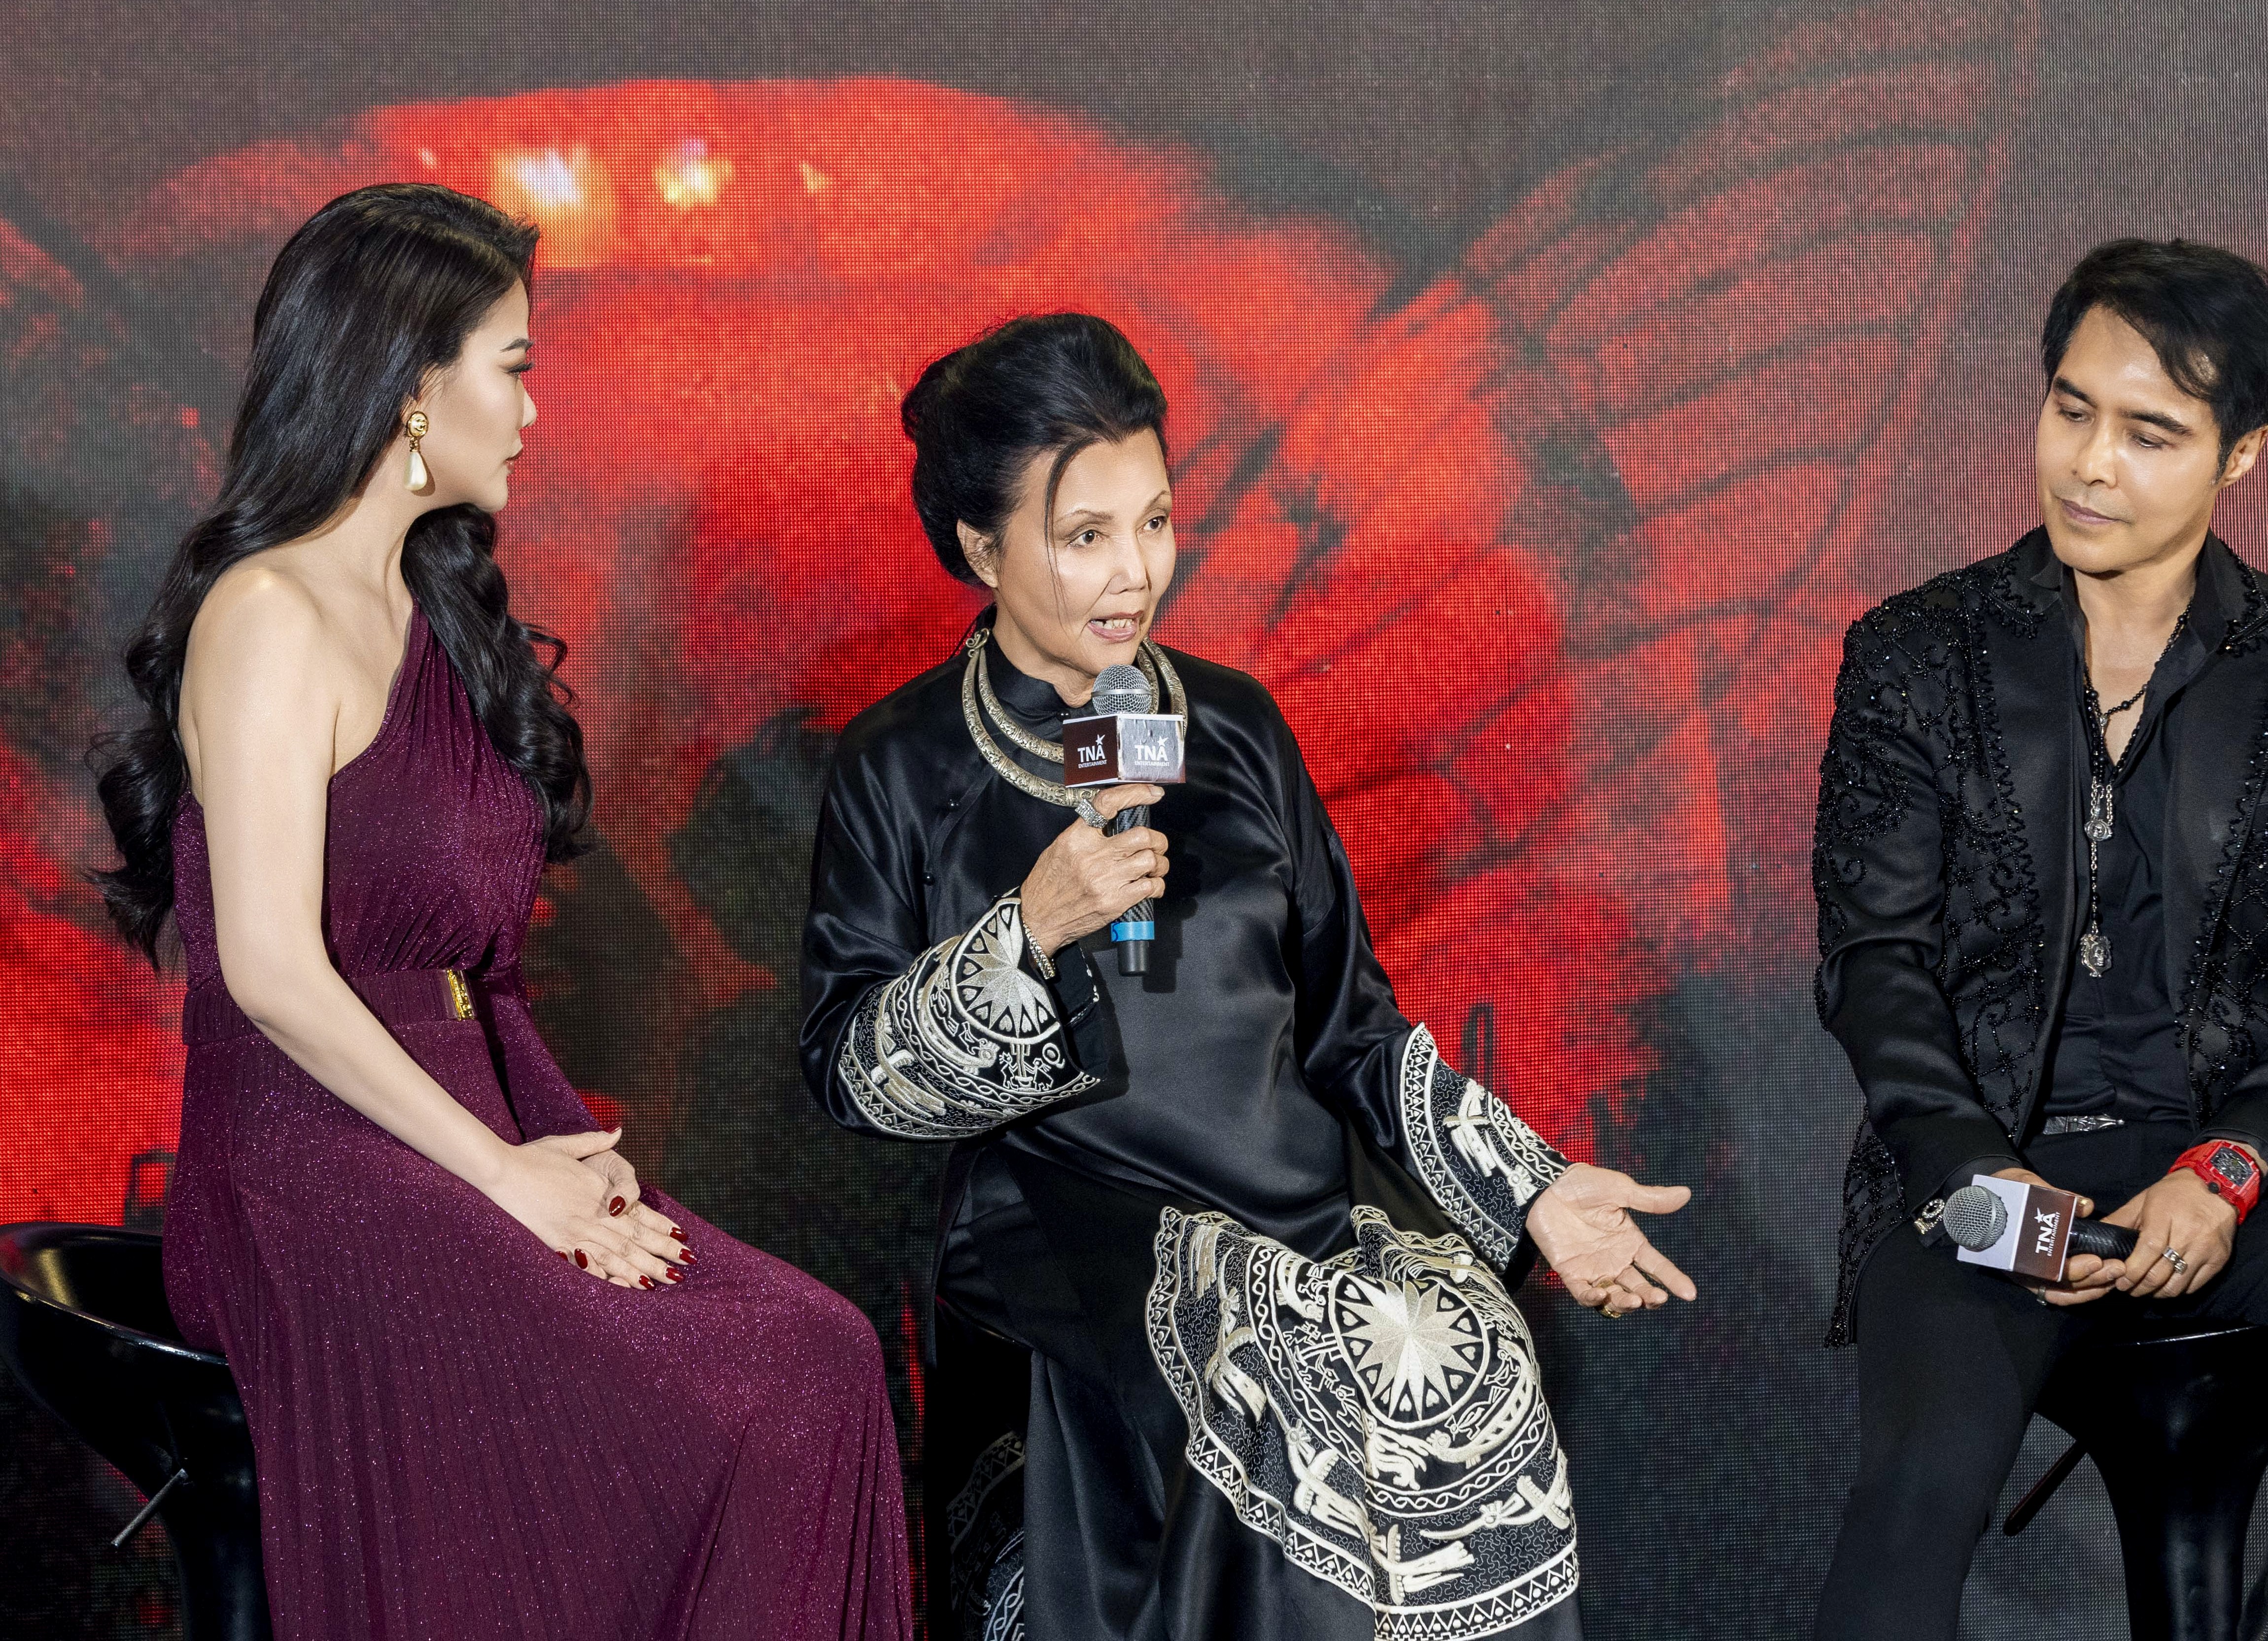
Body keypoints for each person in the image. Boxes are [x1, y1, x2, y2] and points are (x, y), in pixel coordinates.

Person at [91, 183, 911, 1639]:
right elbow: (269, 968)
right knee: (760, 1389)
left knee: (823, 1352)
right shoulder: (267, 613)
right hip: (305, 1170)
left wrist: (562, 1154)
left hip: (464, 1128)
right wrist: (503, 1176)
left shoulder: (435, 619)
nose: (533, 411)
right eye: (514, 366)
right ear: (413, 386)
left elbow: (482, 983)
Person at [800, 312, 1697, 1641]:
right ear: (983, 550)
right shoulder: (899, 763)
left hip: (1291, 1212)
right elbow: (843, 1069)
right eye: (1085, 535)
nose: (1134, 573)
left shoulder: (1234, 727)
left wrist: (1537, 1191)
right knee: (1257, 1400)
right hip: (1066, 1225)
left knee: (1463, 1368)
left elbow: (1351, 1028)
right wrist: (1025, 932)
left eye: (1155, 522)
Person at [1808, 237, 2268, 1639]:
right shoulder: (1915, 653)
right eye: (2071, 410)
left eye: (2150, 433)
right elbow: (1874, 964)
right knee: (1912, 1502)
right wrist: (1984, 1183)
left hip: (2221, 1164)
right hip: (1980, 1169)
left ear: (2241, 455)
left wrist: (2225, 1172)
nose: (2090, 465)